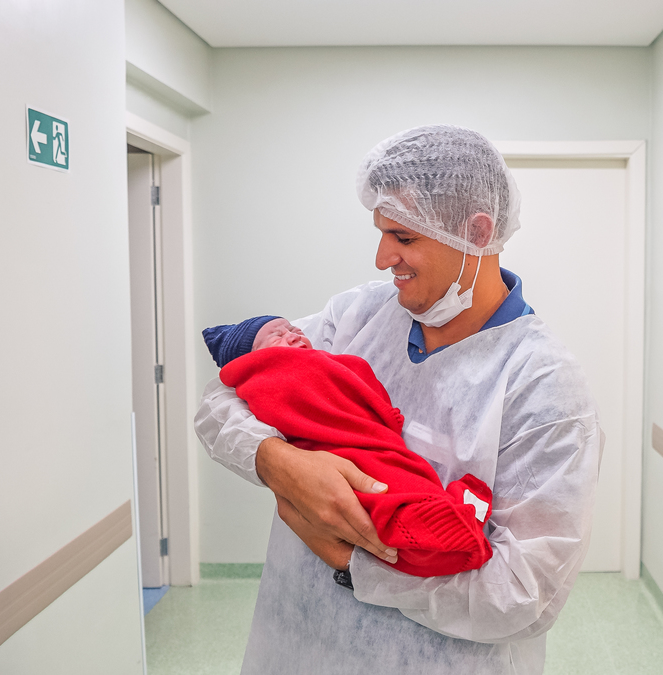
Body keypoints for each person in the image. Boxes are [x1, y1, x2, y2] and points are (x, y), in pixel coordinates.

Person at [194, 124, 602, 674]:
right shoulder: (357, 317)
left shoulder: (542, 384)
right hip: (294, 645)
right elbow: (222, 399)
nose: (383, 257)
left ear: (477, 231)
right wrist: (278, 461)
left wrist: (351, 562)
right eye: (381, 232)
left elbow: (526, 594)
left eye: (404, 237)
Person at [205, 316, 495, 577]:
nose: (293, 334)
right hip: (337, 452)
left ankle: (449, 522)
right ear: (254, 358)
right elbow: (217, 411)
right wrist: (275, 458)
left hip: (371, 446)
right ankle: (450, 524)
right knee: (380, 498)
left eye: (293, 328)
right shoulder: (269, 376)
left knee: (394, 492)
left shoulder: (330, 359)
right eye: (277, 336)